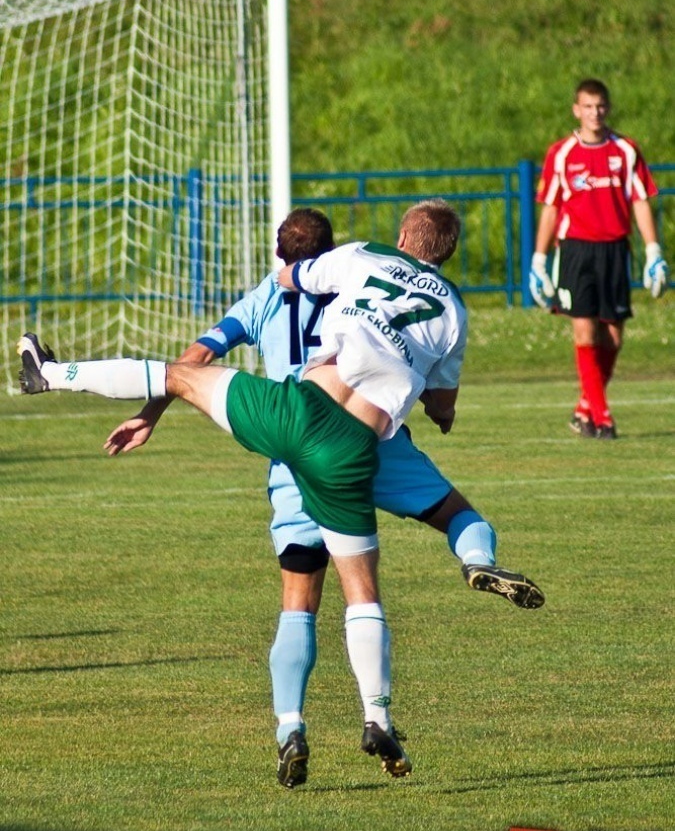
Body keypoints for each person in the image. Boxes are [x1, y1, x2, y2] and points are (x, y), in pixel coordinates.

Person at [19, 201, 544, 785]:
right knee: (371, 583)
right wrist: (433, 403)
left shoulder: (351, 262)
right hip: (359, 453)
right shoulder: (452, 309)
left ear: (400, 234)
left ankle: (52, 374)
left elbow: (288, 280)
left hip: (291, 417)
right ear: (448, 251)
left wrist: (153, 414)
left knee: (179, 377)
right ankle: (384, 704)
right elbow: (441, 403)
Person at [529, 78, 669, 439]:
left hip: (614, 250)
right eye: (587, 107)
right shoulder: (561, 153)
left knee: (613, 337)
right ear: (577, 110)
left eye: (600, 106)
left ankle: (584, 408)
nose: (595, 113)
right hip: (576, 250)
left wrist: (653, 251)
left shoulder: (625, 150)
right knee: (584, 328)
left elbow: (640, 201)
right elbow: (550, 208)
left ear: (608, 108)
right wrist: (539, 260)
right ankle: (602, 417)